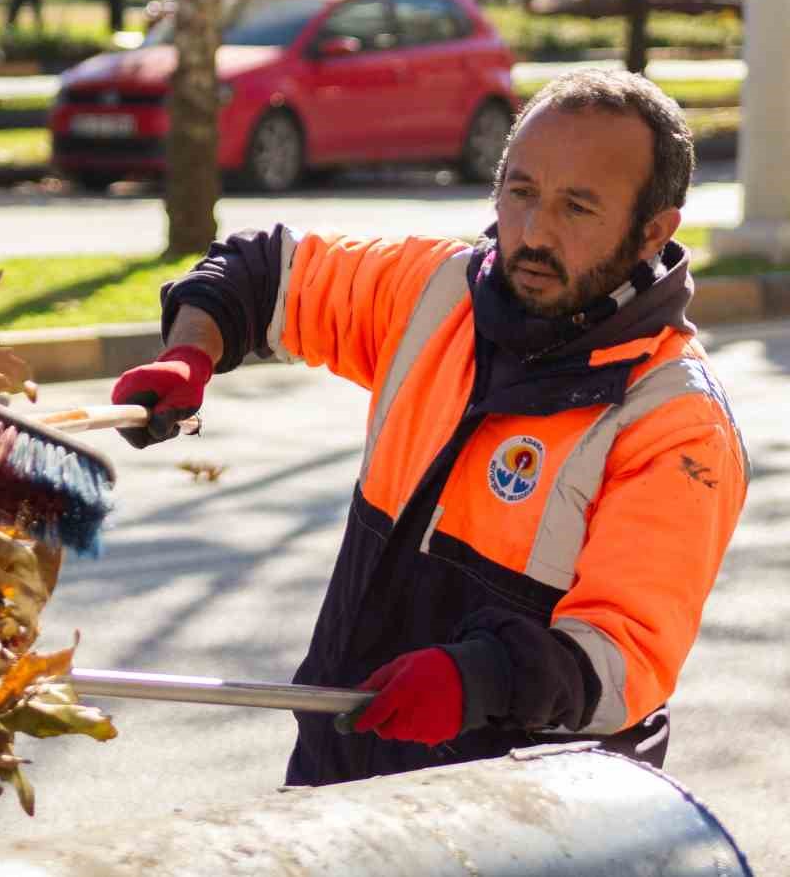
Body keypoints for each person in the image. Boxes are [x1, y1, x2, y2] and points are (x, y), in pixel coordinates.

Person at [109, 69, 749, 787]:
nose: (534, 233)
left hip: (531, 820)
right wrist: (192, 351)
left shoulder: (677, 425)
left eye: (577, 208)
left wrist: (478, 679)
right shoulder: (438, 291)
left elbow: (621, 664)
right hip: (340, 768)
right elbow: (264, 272)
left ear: (652, 232)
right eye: (521, 192)